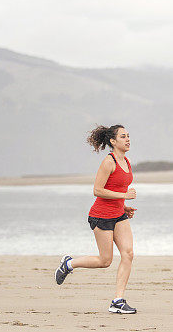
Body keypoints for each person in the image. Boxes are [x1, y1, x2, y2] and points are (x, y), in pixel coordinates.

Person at [55, 124, 138, 314]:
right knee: (105, 260)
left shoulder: (127, 161)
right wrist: (124, 197)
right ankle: (68, 264)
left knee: (128, 254)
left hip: (119, 214)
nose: (127, 139)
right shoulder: (108, 162)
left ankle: (118, 300)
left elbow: (115, 189)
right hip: (101, 215)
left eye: (128, 136)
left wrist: (123, 206)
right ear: (112, 141)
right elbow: (97, 191)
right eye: (123, 136)